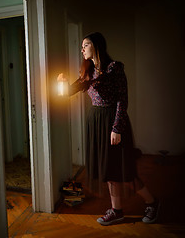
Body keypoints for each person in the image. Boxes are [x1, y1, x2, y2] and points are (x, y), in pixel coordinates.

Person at [57, 32, 160, 225]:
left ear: (96, 46)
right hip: (96, 122)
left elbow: (122, 100)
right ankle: (117, 210)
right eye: (81, 46)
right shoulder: (87, 71)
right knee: (109, 172)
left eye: (85, 45)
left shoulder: (114, 68)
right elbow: (68, 93)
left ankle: (152, 203)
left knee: (125, 171)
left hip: (113, 123)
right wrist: (62, 84)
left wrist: (117, 128)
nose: (82, 49)